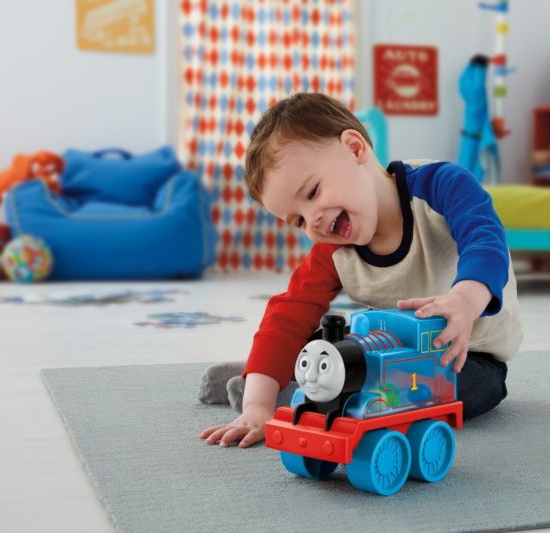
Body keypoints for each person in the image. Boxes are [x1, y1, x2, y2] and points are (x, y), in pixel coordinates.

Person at [200, 92, 523, 448]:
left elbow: (485, 242)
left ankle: (308, 394)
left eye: (313, 192)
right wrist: (256, 409)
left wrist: (464, 301)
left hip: (466, 353)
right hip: (383, 350)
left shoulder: (443, 186)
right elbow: (288, 314)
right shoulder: (334, 250)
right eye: (299, 221)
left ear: (354, 149)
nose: (313, 221)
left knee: (463, 390)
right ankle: (263, 385)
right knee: (318, 344)